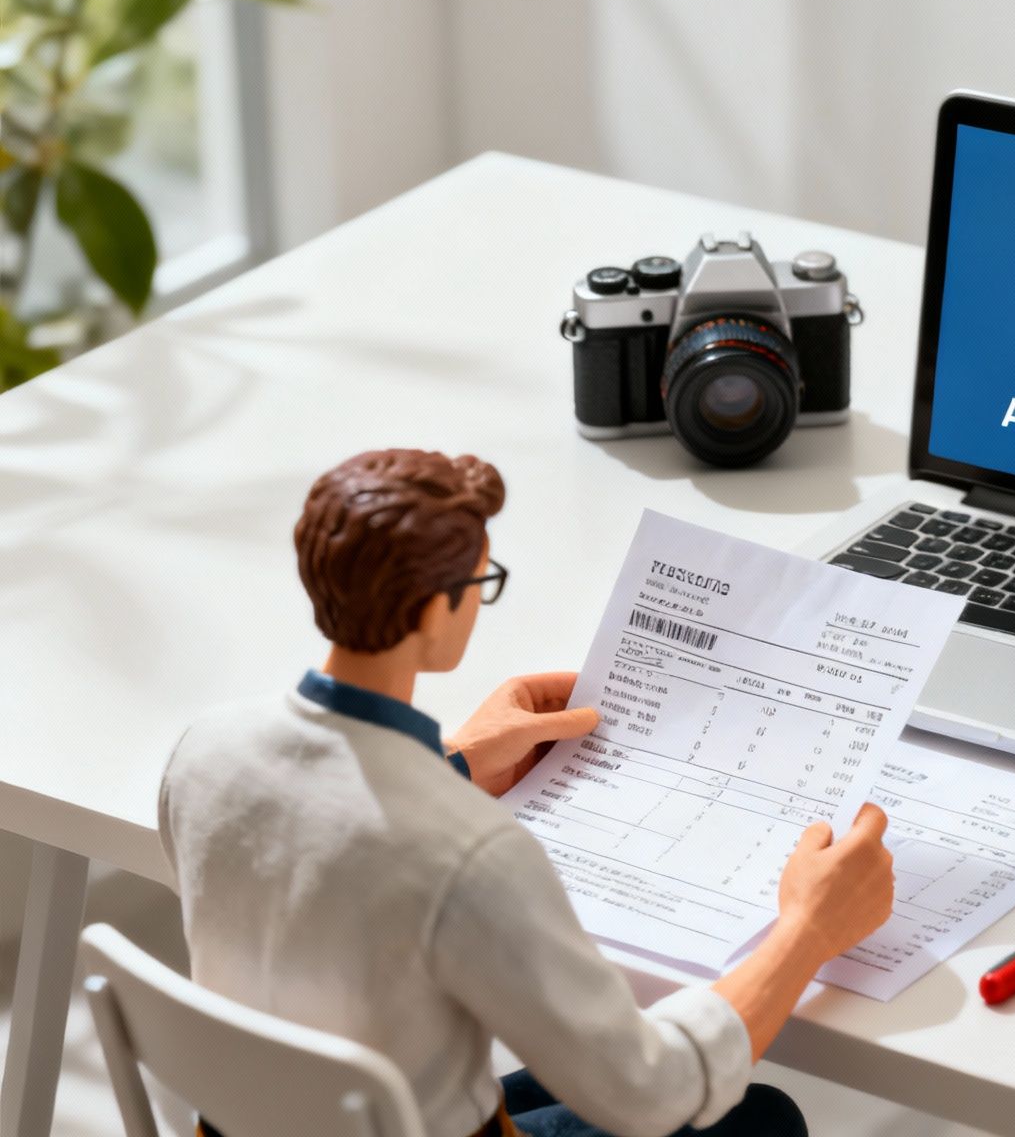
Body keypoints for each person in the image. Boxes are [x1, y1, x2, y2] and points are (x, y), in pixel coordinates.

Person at [158, 449, 895, 1137]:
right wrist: (809, 931)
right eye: (482, 583)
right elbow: (654, 1090)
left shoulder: (203, 751)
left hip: (286, 1119)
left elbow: (328, 839)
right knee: (757, 1116)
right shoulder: (472, 855)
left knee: (556, 1071)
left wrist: (457, 764)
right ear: (432, 609)